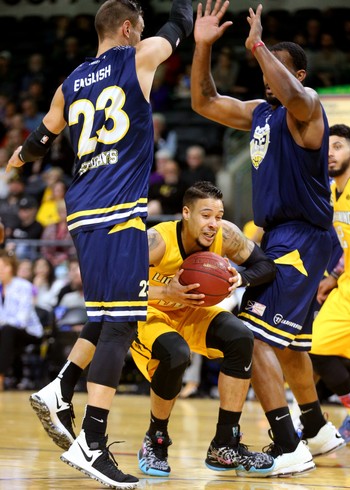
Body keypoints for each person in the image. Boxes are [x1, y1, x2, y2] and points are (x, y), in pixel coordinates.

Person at [7, 0, 194, 488]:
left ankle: (60, 388)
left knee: (108, 313)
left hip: (82, 211)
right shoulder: (139, 56)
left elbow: (40, 140)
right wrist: (184, 9)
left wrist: (18, 159)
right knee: (121, 324)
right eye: (142, 28)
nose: (146, 34)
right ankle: (92, 440)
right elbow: (180, 27)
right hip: (118, 211)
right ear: (128, 28)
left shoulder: (69, 83)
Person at [14, 181, 277, 478]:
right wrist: (168, 293)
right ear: (186, 213)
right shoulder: (157, 241)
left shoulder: (226, 235)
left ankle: (225, 443)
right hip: (151, 312)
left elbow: (266, 266)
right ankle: (156, 438)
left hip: (193, 311)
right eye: (206, 215)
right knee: (176, 353)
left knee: (241, 337)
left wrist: (239, 280)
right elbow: (114, 287)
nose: (213, 224)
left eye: (218, 215)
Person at [190, 1, 345, 477]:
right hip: (280, 235)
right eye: (261, 62)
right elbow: (204, 102)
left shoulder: (308, 107)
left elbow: (296, 96)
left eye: (275, 64)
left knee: (251, 336)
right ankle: (316, 429)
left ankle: (287, 443)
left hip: (301, 235)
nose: (264, 73)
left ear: (296, 72)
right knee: (292, 345)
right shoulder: (261, 113)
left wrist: (259, 46)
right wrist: (201, 47)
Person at [310, 124, 350, 443]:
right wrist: (334, 277)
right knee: (317, 348)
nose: (330, 153)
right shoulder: (333, 192)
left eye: (338, 146)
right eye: (327, 147)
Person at [0, 250, 43, 391]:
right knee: (6, 331)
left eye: (4, 266)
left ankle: (1, 377)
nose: (1, 269)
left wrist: (4, 322)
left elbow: (21, 320)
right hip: (7, 332)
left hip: (30, 333)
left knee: (7, 331)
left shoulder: (24, 286)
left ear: (12, 267)